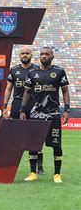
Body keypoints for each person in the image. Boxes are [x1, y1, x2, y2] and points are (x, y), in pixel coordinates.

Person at [20, 47, 70, 183]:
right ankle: (32, 173)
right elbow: (27, 93)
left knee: (56, 144)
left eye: (47, 54)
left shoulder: (59, 71)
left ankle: (57, 174)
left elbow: (65, 91)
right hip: (36, 115)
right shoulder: (32, 72)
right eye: (42, 54)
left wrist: (66, 110)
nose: (44, 56)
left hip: (53, 114)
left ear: (52, 57)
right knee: (33, 144)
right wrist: (23, 110)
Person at [2, 47, 44, 173]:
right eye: (22, 53)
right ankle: (11, 166)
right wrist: (4, 106)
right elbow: (9, 88)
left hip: (33, 105)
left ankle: (39, 166)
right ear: (19, 55)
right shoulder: (14, 70)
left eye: (27, 53)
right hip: (17, 104)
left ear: (31, 55)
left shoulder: (37, 69)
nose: (25, 55)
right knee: (15, 136)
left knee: (36, 136)